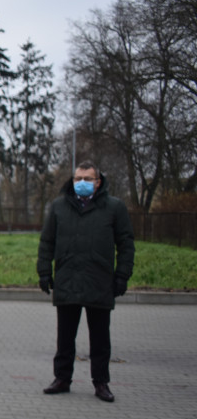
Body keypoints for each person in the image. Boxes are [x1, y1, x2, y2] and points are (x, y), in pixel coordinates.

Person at [37, 160, 135, 403]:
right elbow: (46, 242)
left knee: (100, 338)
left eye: (88, 179)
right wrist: (44, 272)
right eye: (78, 178)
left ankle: (101, 383)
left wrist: (122, 275)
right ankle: (62, 379)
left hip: (99, 282)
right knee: (65, 337)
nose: (82, 183)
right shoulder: (59, 206)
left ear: (98, 182)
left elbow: (126, 244)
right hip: (68, 280)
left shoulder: (114, 208)